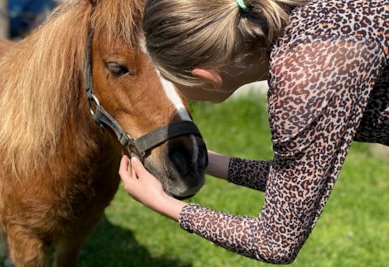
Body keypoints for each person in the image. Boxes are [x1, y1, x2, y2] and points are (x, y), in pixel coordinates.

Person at [119, 0, 389, 264]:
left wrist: (162, 203)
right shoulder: (300, 24)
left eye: (170, 79)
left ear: (205, 76)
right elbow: (298, 184)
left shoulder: (302, 81)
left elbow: (276, 242)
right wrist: (206, 160)